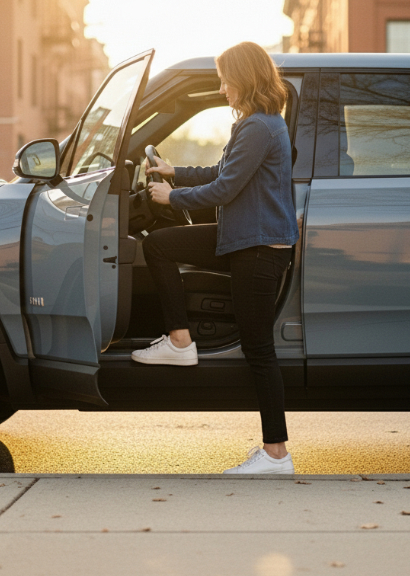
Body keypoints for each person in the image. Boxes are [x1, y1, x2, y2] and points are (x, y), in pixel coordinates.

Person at [132, 41, 299, 474]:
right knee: (160, 245)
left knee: (259, 350)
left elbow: (224, 189)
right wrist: (175, 172)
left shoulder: (259, 127)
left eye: (226, 80)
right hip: (242, 239)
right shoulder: (256, 124)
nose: (223, 88)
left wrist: (172, 196)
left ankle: (276, 455)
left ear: (245, 79)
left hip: (258, 249)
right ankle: (180, 341)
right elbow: (223, 173)